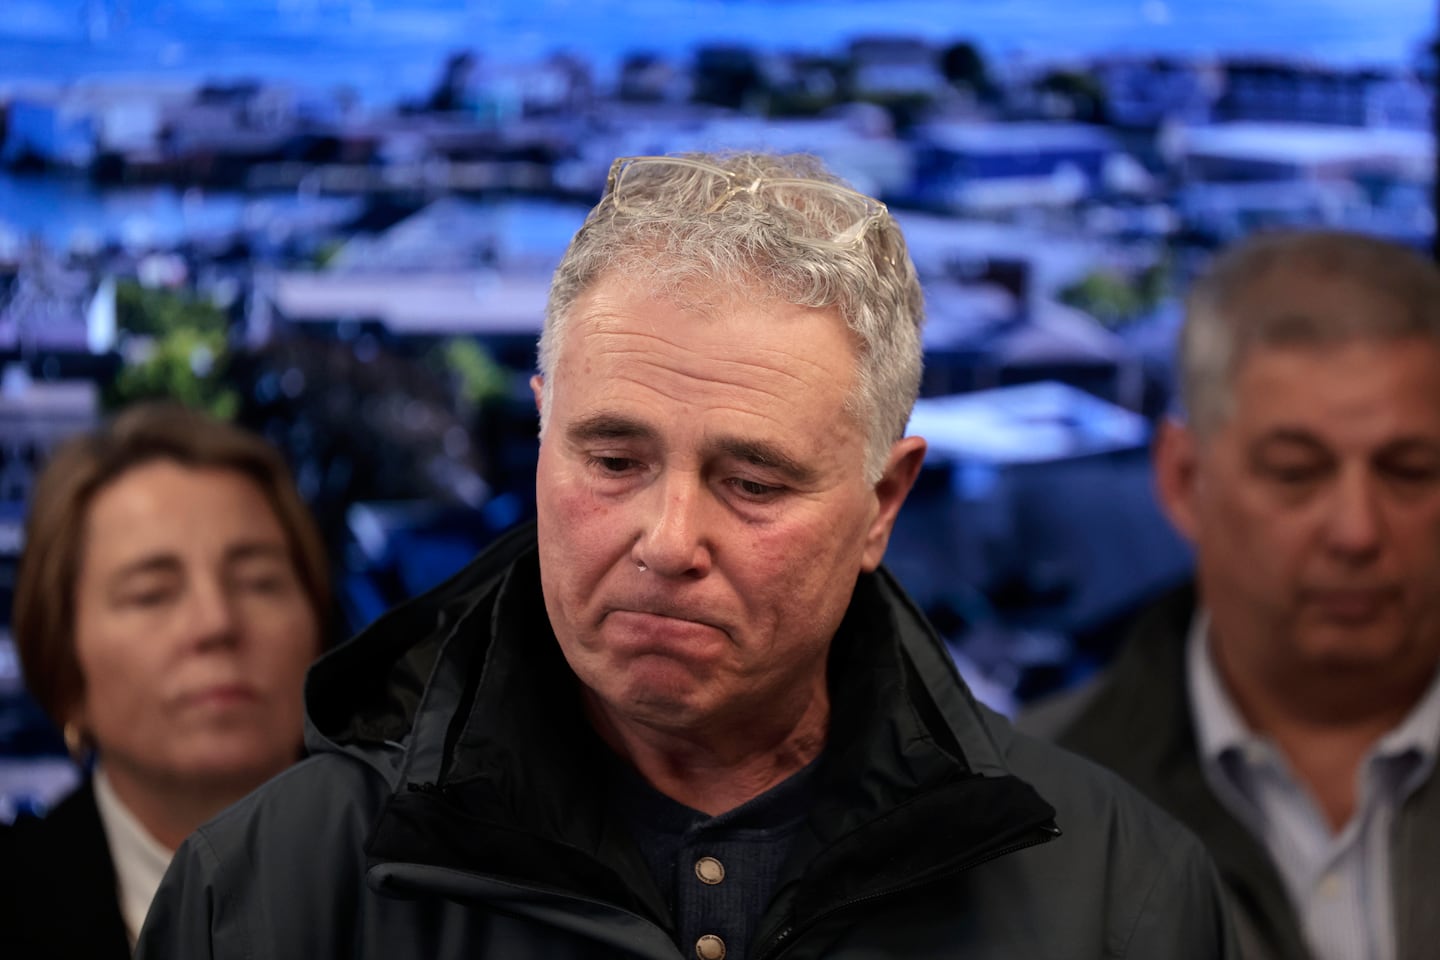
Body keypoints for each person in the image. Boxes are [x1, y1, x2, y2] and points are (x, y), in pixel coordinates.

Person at [137, 152, 1234, 959]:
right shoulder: (272, 891)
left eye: (751, 483)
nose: (667, 543)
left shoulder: (1114, 895)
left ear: (882, 502)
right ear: (539, 432)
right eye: (612, 461)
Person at [1021, 230, 1440, 960]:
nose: (1357, 531)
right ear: (1184, 479)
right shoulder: (1021, 815)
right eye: (1295, 473)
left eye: (1409, 471)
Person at [0, 402, 331, 959]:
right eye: (150, 593)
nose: (216, 623)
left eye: (259, 581)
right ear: (64, 659)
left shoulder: (442, 899)